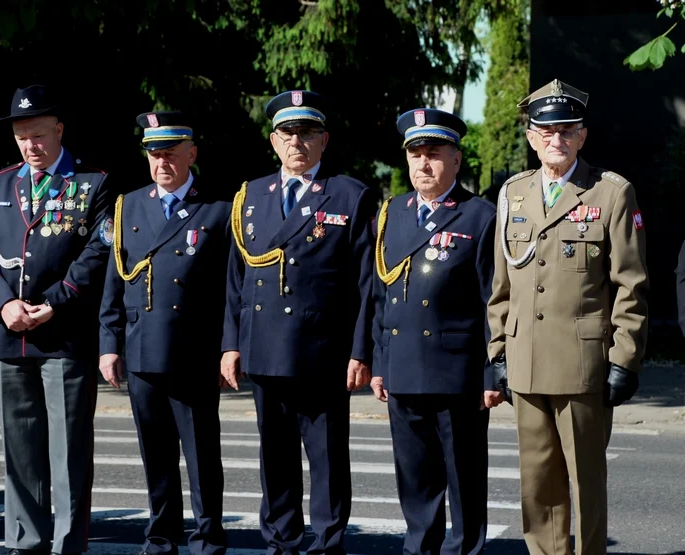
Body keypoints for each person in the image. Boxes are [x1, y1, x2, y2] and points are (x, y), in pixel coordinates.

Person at [487, 79, 649, 555]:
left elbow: (631, 285)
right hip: (526, 363)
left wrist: (625, 359)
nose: (555, 139)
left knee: (585, 484)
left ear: (582, 136)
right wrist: (497, 350)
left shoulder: (611, 193)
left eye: (566, 130)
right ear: (531, 136)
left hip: (584, 367)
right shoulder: (513, 194)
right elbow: (501, 286)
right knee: (537, 486)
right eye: (546, 130)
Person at [220, 90, 375, 555]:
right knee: (276, 458)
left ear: (323, 140)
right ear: (273, 140)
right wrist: (231, 344)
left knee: (326, 459)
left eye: (307, 133)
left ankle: (328, 543)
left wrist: (360, 350)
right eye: (288, 133)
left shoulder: (350, 194)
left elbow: (368, 283)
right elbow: (235, 280)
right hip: (265, 348)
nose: (297, 142)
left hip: (322, 352)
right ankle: (281, 542)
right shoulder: (249, 197)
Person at [0, 84, 112, 555]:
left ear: (59, 130)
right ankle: (24, 542)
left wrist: (55, 301)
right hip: (10, 333)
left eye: (37, 134)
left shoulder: (91, 183)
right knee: (20, 449)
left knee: (68, 451)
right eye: (21, 137)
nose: (31, 145)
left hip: (64, 334)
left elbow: (98, 253)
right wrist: (2, 305)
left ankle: (68, 544)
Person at [99, 111, 229, 555]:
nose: (162, 164)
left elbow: (230, 292)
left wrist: (228, 349)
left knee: (201, 457)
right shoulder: (129, 205)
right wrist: (108, 345)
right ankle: (161, 535)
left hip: (193, 352)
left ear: (191, 154)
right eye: (155, 155)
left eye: (171, 154)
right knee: (155, 456)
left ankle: (208, 536)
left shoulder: (217, 209)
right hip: (141, 350)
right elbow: (115, 282)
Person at [371, 108, 498, 555]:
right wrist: (379, 363)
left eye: (434, 154)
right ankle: (418, 549)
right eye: (416, 154)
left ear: (456, 160)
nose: (423, 164)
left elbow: (492, 303)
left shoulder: (480, 216)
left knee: (463, 476)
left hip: (457, 373)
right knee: (415, 477)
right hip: (403, 368)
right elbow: (380, 297)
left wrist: (492, 373)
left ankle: (464, 550)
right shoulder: (391, 214)